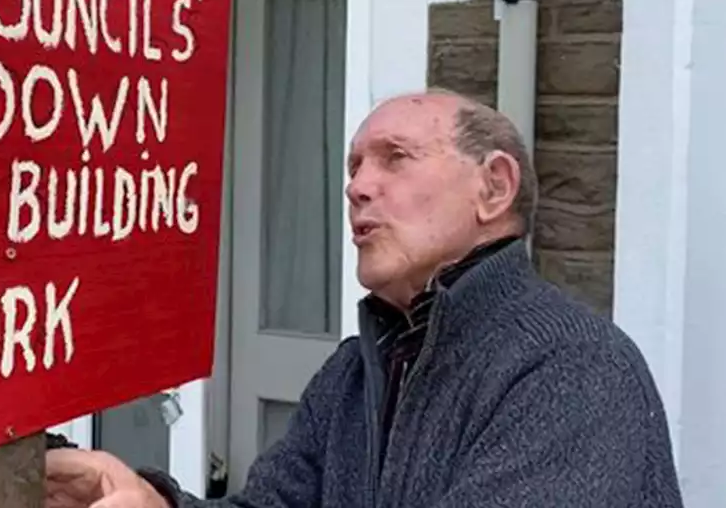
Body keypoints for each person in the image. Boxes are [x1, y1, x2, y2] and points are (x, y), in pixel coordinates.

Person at [44, 89, 684, 508]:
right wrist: (158, 504)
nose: (358, 187)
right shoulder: (356, 370)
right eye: (354, 167)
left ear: (494, 187)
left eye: (395, 158)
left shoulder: (571, 367)